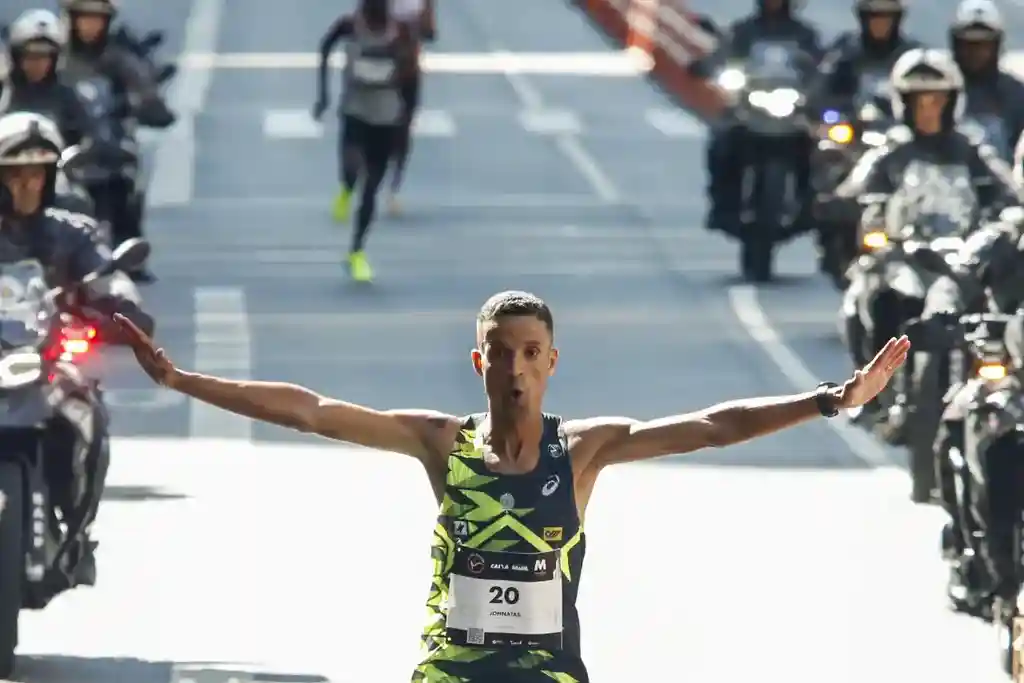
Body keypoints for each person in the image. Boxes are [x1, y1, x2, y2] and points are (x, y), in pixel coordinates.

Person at [114, 288, 909, 682]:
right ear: (479, 362)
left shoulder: (586, 450)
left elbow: (712, 425)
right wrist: (185, 380)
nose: (517, 366)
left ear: (552, 363)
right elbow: (312, 412)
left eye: (532, 351)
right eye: (501, 351)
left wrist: (828, 399)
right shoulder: (442, 443)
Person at [0, 110, 154, 579]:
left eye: (36, 173)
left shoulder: (72, 230)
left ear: (51, 177)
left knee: (88, 414)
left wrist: (121, 307)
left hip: (48, 357)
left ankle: (76, 529)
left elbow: (110, 276)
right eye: (15, 174)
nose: (26, 185)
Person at [60, 0, 176, 284]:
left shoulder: (118, 58)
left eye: (96, 19)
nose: (90, 25)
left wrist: (151, 105)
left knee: (127, 187)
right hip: (60, 148)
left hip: (110, 148)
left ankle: (130, 253)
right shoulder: (56, 59)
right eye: (84, 18)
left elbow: (145, 92)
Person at [312, 0, 416, 282]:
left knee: (370, 189)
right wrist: (323, 95)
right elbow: (324, 47)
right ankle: (346, 189)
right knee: (351, 170)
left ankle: (356, 251)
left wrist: (405, 114)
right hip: (355, 112)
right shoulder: (350, 25)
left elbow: (411, 74)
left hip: (385, 118)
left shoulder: (401, 31)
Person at [702, 0, 822, 235]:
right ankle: (722, 206)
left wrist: (818, 89)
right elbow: (722, 56)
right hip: (749, 108)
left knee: (822, 152)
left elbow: (822, 67)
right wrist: (706, 66)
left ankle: (809, 206)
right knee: (721, 143)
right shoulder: (743, 31)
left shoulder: (805, 35)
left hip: (792, 110)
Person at [812, 0, 919, 116]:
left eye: (886, 18)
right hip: (850, 125)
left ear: (897, 21)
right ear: (863, 19)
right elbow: (820, 90)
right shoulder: (844, 52)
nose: (880, 23)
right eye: (874, 17)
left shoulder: (910, 57)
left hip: (898, 125)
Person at [949, 0, 1024, 163]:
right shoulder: (940, 91)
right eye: (968, 44)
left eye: (983, 45)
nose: (974, 52)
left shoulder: (1017, 94)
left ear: (997, 46)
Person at [386, 0, 435, 215]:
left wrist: (420, 23)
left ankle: (394, 187)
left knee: (404, 129)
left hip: (408, 70)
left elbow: (430, 32)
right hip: (381, 66)